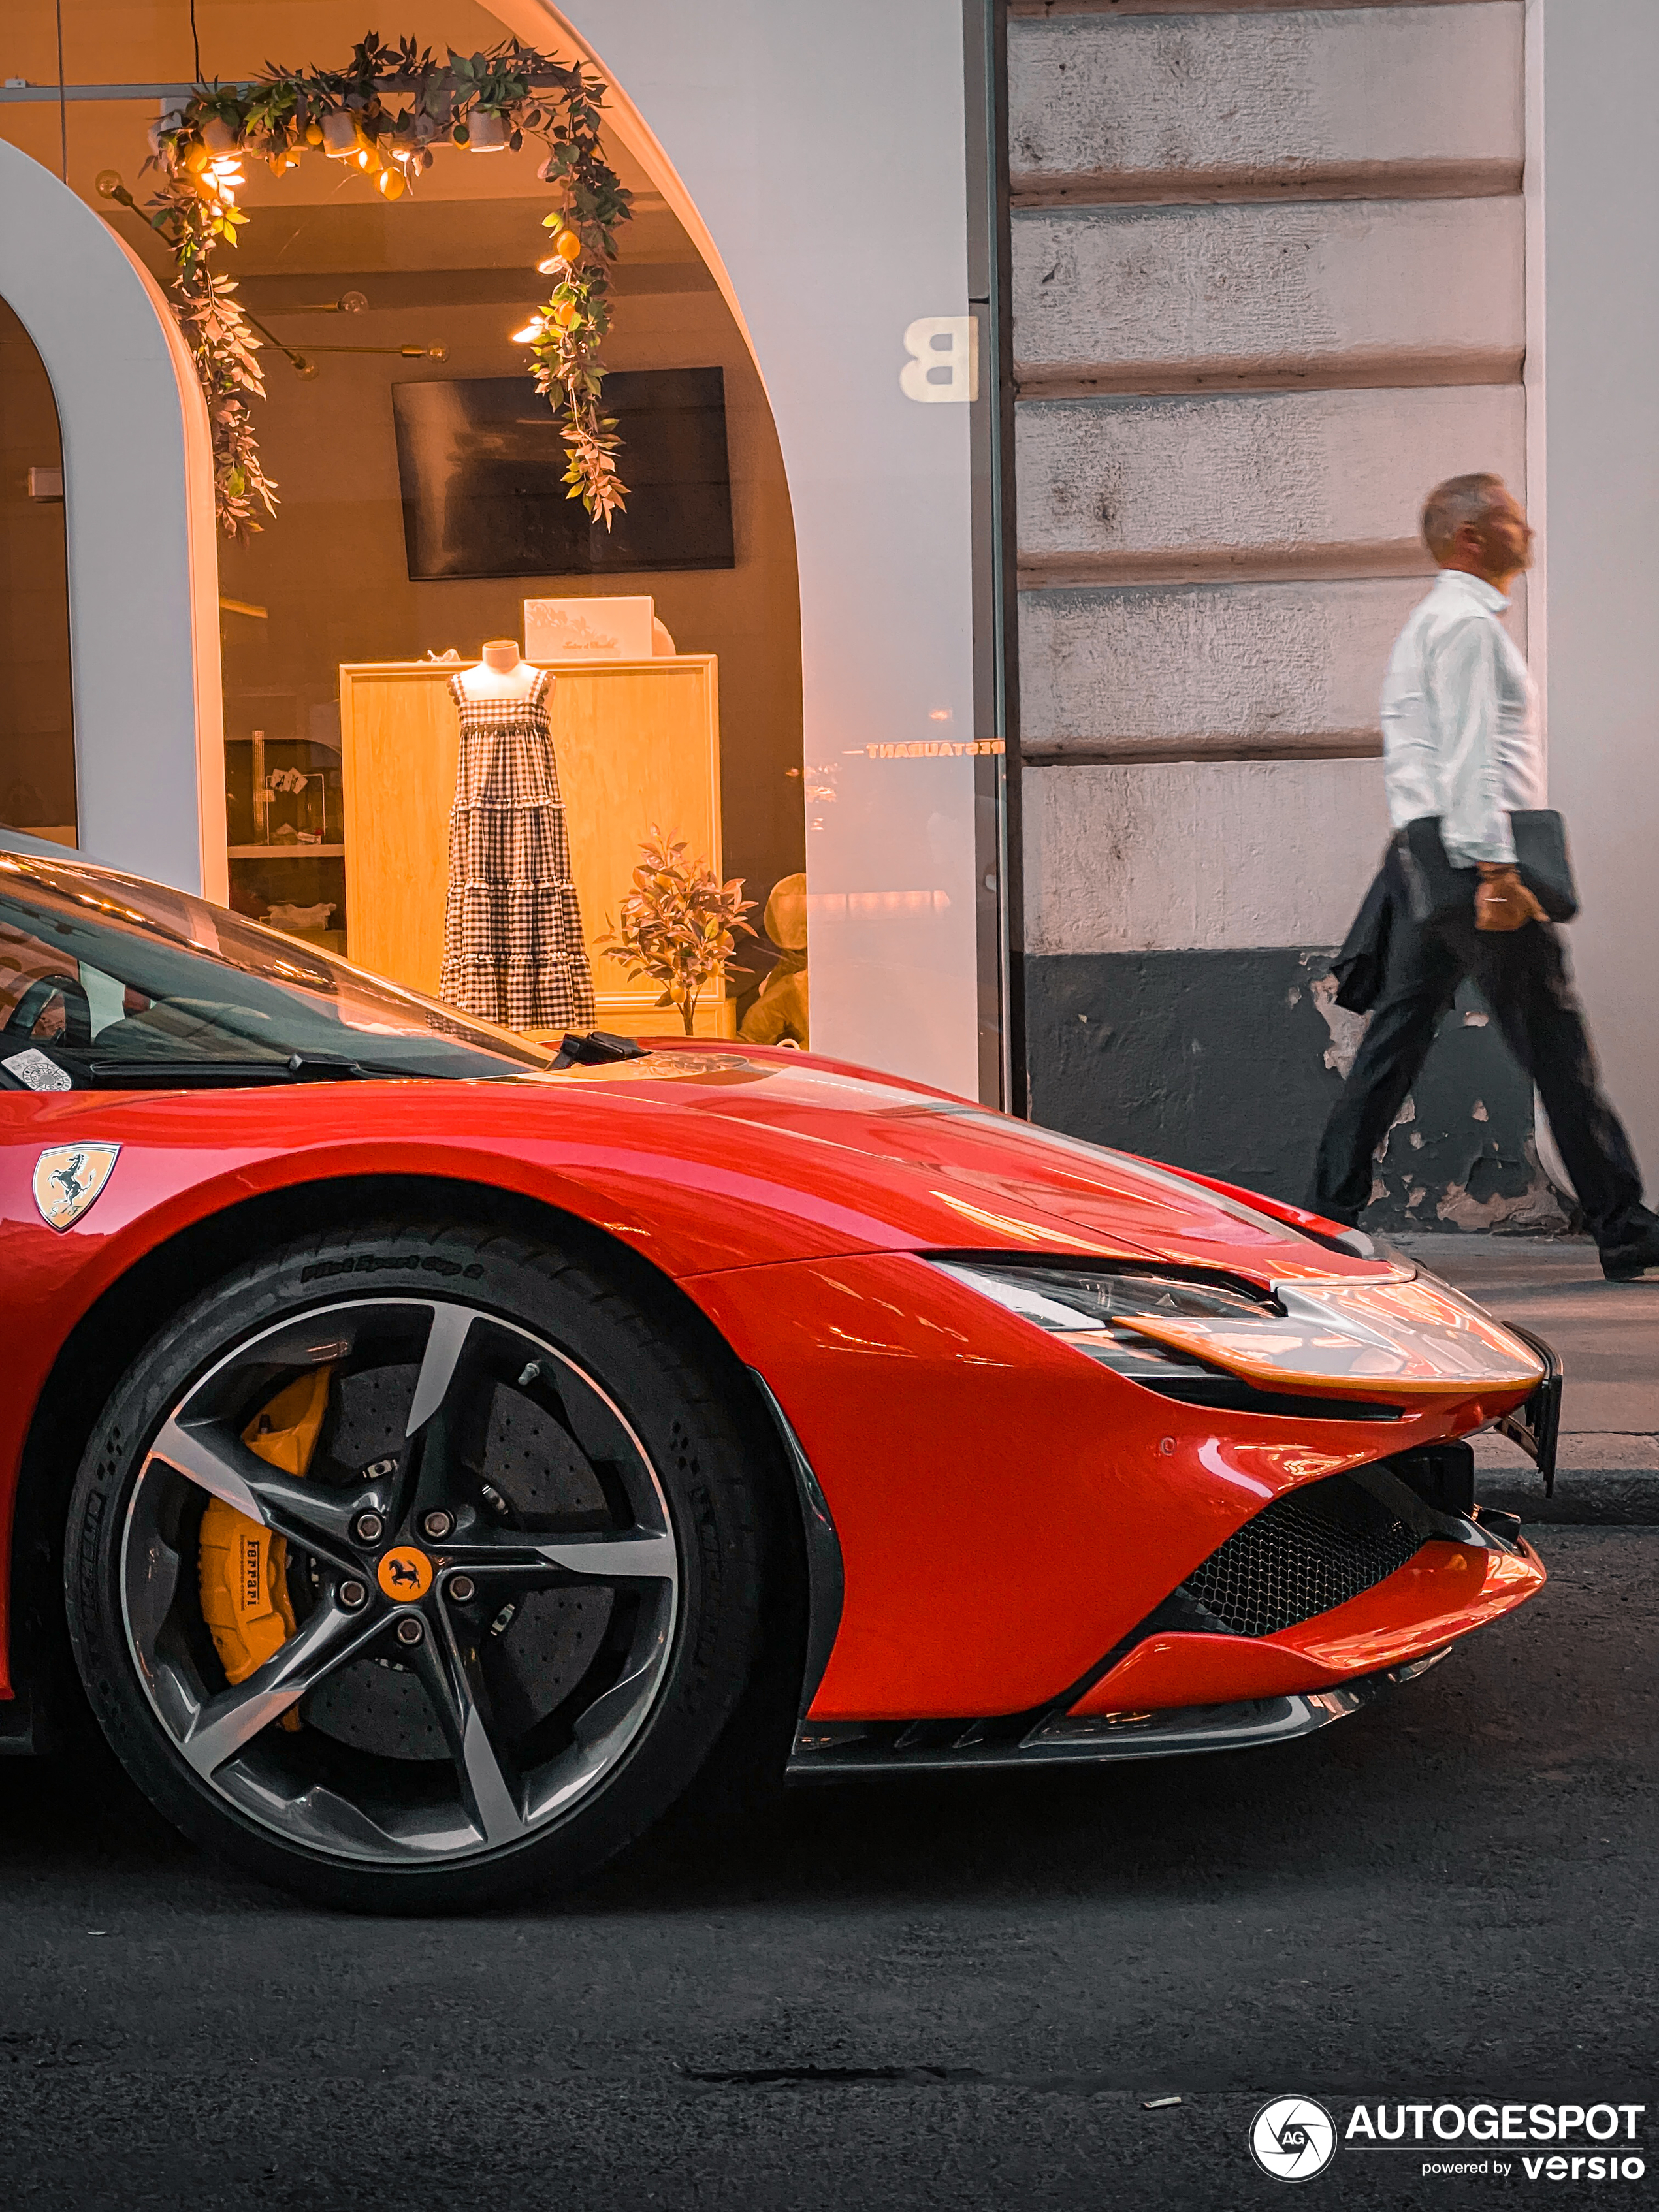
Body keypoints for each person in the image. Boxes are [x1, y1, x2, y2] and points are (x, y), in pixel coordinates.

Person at [1310, 473, 1659, 1279]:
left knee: (1393, 1045)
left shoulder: (1429, 625)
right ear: (1469, 537)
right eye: (1509, 518)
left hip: (1430, 859)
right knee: (1553, 1043)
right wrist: (1497, 870)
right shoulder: (1464, 627)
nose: (1525, 531)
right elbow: (1468, 757)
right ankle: (1622, 1225)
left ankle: (1324, 1214)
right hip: (1475, 866)